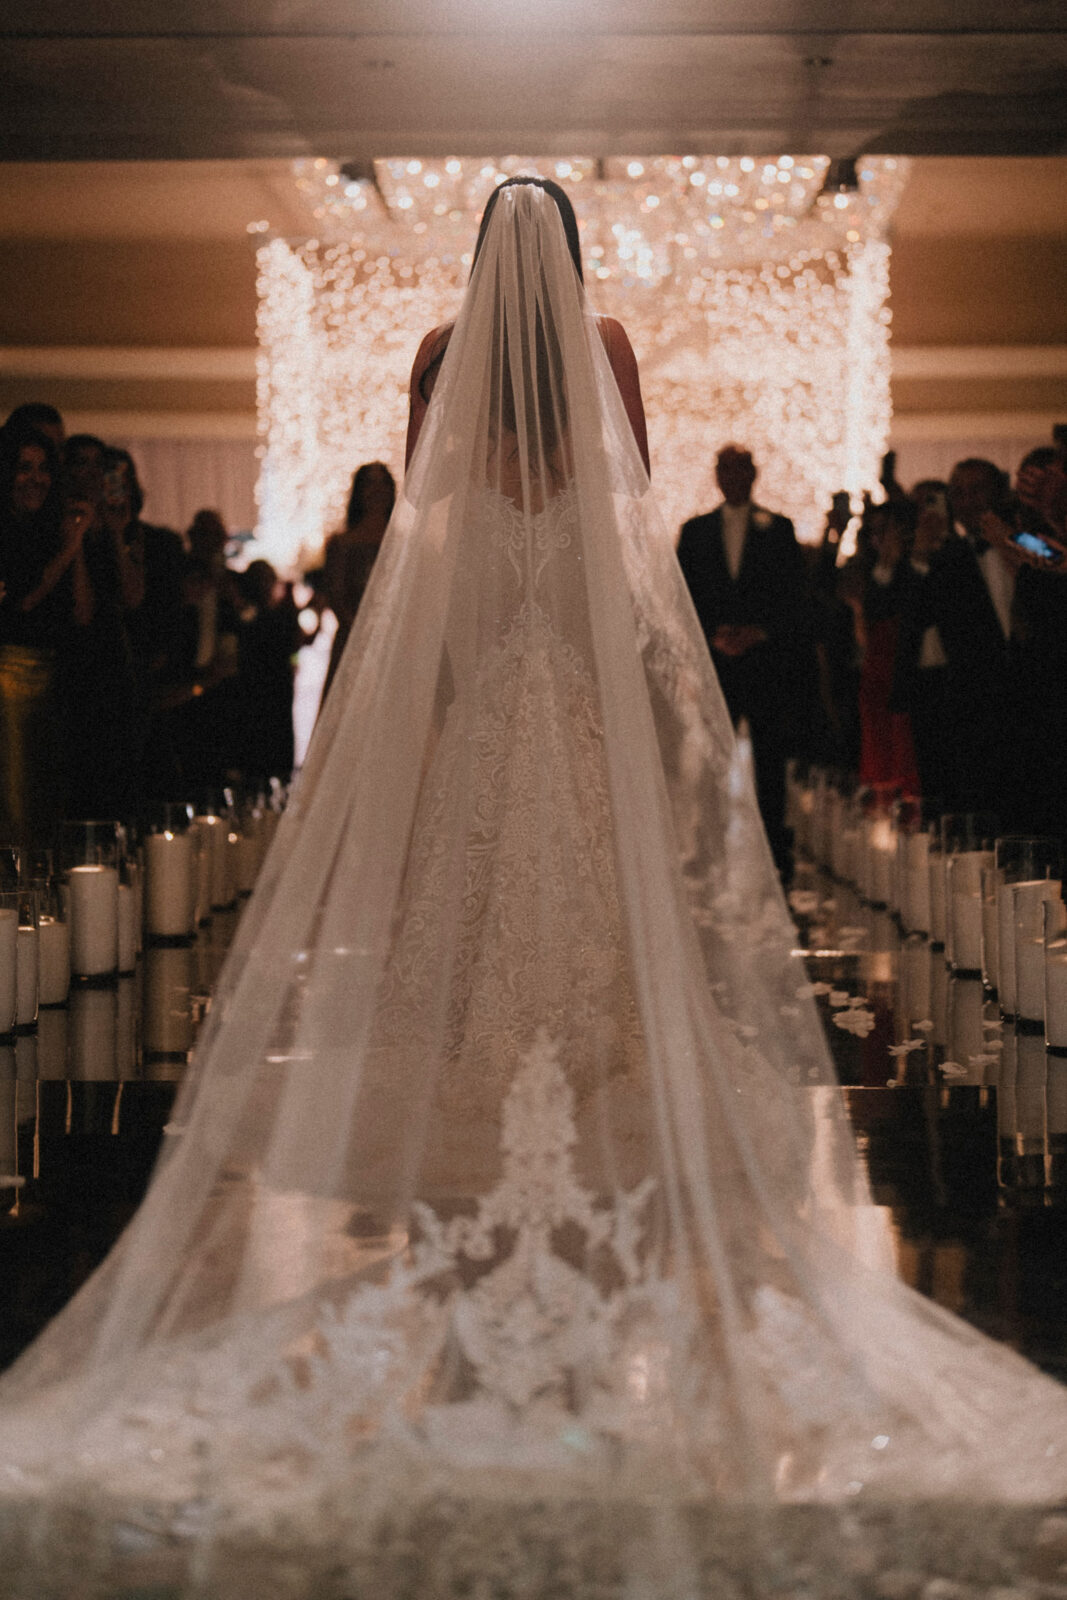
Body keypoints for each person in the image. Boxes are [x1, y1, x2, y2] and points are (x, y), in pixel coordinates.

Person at [1, 179, 1066, 1596]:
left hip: (485, 688)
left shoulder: (434, 355)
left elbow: (412, 568)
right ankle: (573, 1201)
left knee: (463, 930)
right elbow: (624, 534)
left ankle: (471, 1229)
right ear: (572, 257)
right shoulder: (608, 346)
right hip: (565, 688)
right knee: (586, 936)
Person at [676, 445, 812, 878]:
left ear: (753, 475)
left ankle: (776, 849)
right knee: (713, 757)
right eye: (725, 469)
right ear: (716, 476)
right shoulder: (695, 531)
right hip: (717, 662)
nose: (733, 476)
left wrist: (760, 632)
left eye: (740, 469)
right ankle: (710, 847)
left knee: (770, 760)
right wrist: (713, 635)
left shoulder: (780, 529)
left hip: (766, 665)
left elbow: (794, 597)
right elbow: (683, 597)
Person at [0, 426, 92, 846]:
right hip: (10, 677)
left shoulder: (54, 529)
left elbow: (81, 612)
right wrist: (69, 549)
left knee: (49, 797)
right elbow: (24, 600)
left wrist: (75, 545)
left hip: (59, 677)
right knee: (16, 800)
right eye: (23, 468)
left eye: (42, 469)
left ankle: (42, 896)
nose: (34, 478)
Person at [319, 461, 396, 707]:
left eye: (382, 482)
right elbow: (336, 597)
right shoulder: (341, 544)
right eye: (369, 483)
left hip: (395, 643)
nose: (377, 490)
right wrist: (365, 635)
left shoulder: (404, 542)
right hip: (353, 643)